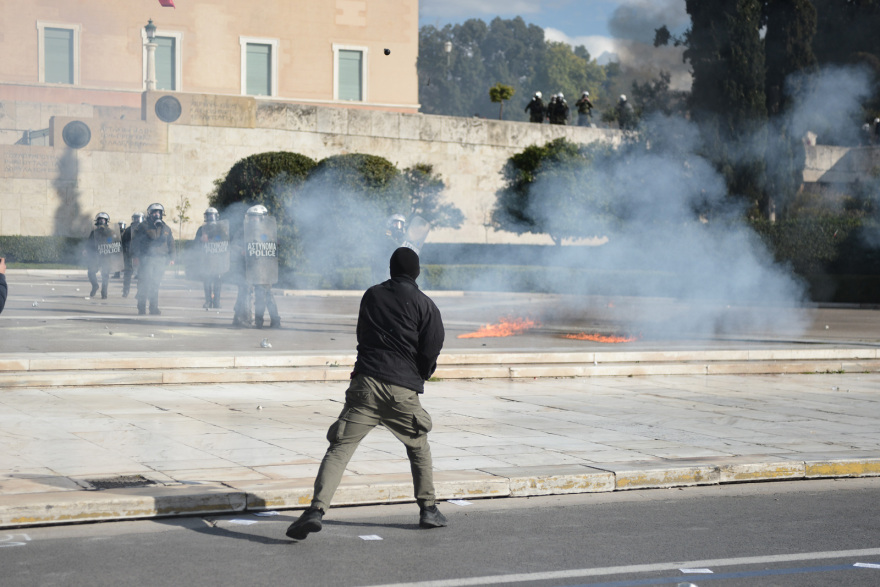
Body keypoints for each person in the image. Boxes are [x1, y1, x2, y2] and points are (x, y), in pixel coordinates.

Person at [285, 247, 447, 541]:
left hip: (366, 385)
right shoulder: (426, 305)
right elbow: (432, 347)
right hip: (402, 391)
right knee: (418, 446)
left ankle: (315, 511)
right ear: (417, 272)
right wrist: (420, 374)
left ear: (390, 269)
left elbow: (363, 335)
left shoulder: (372, 295)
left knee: (339, 448)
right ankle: (429, 509)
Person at [242, 205, 280, 328]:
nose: (253, 220)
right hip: (254, 268)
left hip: (265, 269)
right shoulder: (247, 231)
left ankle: (260, 322)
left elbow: (271, 247)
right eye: (251, 218)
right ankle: (275, 321)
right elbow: (236, 245)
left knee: (262, 295)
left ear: (262, 218)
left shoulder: (268, 231)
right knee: (267, 295)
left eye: (255, 218)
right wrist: (242, 250)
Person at [133, 202, 174, 315]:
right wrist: (136, 256)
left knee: (155, 284)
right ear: (150, 214)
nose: (156, 214)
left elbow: (171, 243)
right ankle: (141, 307)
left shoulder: (166, 228)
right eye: (154, 212)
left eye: (159, 212)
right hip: (146, 259)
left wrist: (172, 257)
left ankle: (153, 308)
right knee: (145, 282)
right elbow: (135, 242)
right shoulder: (143, 226)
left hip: (160, 260)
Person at [194, 207, 228, 309]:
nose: (210, 218)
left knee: (217, 280)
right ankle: (208, 301)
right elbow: (195, 243)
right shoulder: (201, 229)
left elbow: (226, 241)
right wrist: (201, 239)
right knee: (207, 281)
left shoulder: (221, 228)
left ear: (216, 217)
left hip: (218, 259)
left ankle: (217, 301)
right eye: (208, 216)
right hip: (206, 259)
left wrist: (214, 239)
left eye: (212, 215)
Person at [84, 212, 121, 299]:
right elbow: (89, 243)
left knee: (105, 275)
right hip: (95, 256)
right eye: (100, 220)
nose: (101, 221)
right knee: (91, 272)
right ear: (97, 221)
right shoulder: (94, 232)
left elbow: (114, 243)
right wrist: (85, 250)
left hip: (105, 256)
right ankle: (95, 285)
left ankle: (104, 293)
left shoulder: (111, 232)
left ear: (106, 221)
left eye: (103, 220)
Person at [121, 212, 144, 298]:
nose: (137, 220)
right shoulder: (128, 230)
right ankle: (126, 290)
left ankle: (140, 292)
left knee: (141, 275)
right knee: (127, 274)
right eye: (135, 218)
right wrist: (124, 253)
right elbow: (123, 242)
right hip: (130, 255)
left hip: (141, 256)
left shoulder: (145, 230)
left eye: (138, 218)